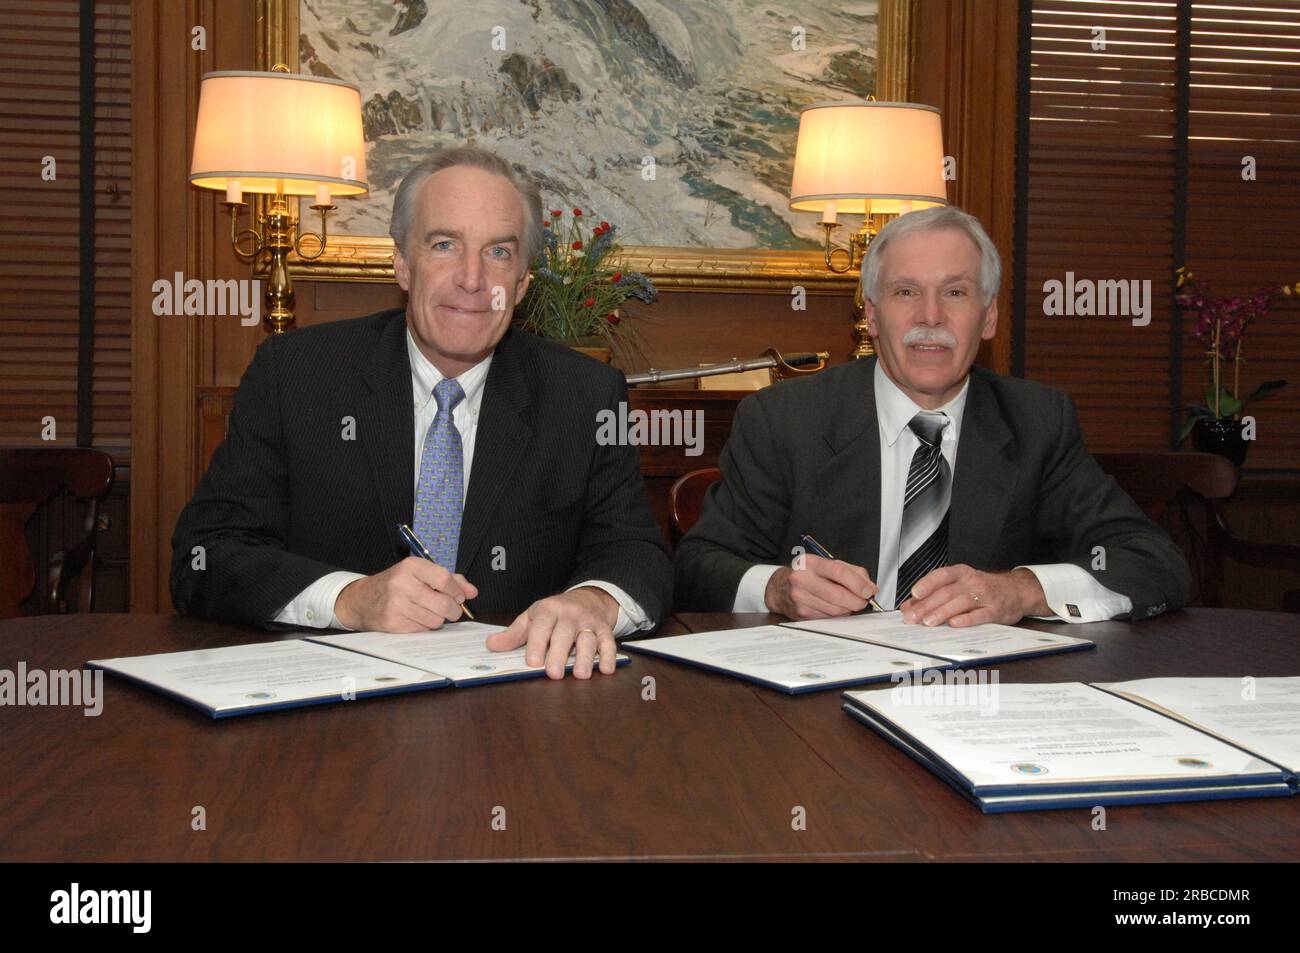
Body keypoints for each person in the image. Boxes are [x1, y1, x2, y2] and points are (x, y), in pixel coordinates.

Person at [172, 145, 672, 679]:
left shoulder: (584, 395)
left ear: (523, 285)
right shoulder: (295, 375)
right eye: (444, 245)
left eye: (499, 253)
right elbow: (206, 556)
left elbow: (638, 554)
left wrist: (592, 602)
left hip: (518, 698)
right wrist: (351, 599)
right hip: (335, 705)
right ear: (403, 265)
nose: (473, 279)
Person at [675, 205, 1190, 627]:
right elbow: (698, 568)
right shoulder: (785, 420)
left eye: (955, 292)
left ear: (987, 318)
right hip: (823, 698)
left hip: (987, 698)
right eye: (906, 292)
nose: (930, 316)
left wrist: (1023, 591)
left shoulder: (1037, 422)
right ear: (871, 316)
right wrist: (778, 589)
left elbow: (1153, 562)